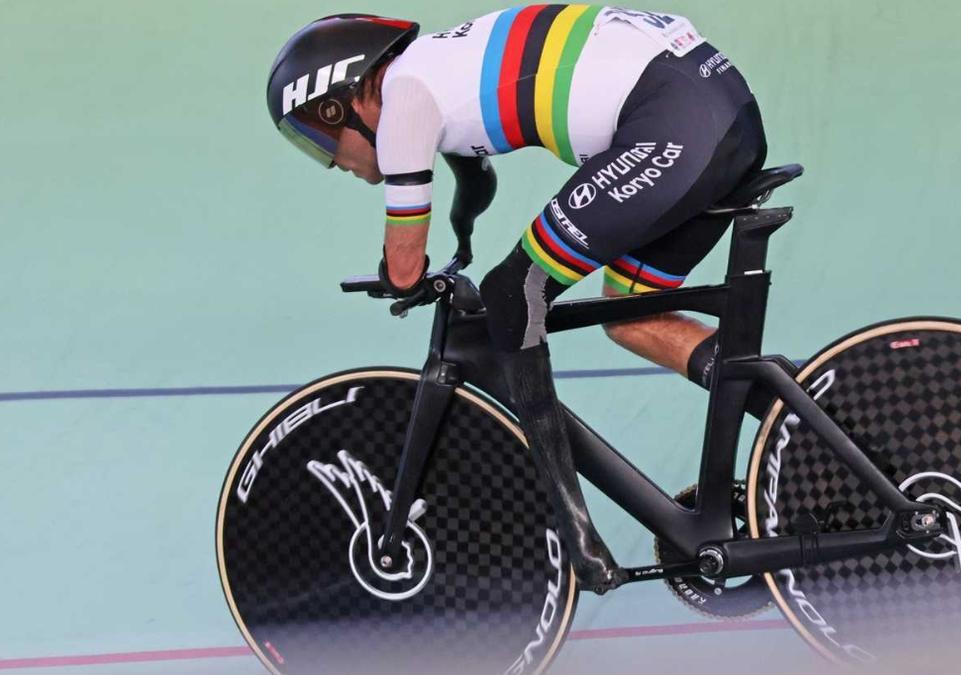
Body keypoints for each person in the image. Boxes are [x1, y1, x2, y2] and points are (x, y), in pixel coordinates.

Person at [267, 6, 767, 594]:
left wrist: (402, 277)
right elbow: (475, 183)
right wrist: (461, 247)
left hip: (673, 120)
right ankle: (804, 423)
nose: (329, 160)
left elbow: (404, 264)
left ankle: (581, 540)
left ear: (339, 104)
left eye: (317, 136)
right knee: (634, 314)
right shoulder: (432, 71)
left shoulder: (403, 98)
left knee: (513, 295)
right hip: (715, 107)